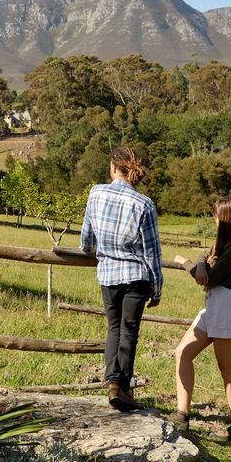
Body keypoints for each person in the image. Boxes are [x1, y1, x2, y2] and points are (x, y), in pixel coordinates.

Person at [80, 145, 164, 412]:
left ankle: (112, 383)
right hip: (135, 276)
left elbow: (86, 242)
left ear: (114, 168)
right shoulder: (144, 203)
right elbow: (152, 252)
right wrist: (157, 288)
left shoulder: (96, 193)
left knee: (114, 329)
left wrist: (95, 250)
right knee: (130, 332)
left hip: (108, 275)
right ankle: (121, 386)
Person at [171, 197, 231, 441]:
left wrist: (184, 262)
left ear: (223, 217)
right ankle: (182, 415)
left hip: (227, 304)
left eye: (215, 216)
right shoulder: (228, 239)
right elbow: (204, 254)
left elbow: (211, 278)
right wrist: (199, 262)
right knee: (182, 353)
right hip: (216, 304)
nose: (214, 220)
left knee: (228, 370)